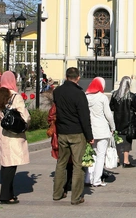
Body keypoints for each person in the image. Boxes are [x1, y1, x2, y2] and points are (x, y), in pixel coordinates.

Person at [52, 67, 93, 205]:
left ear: (66, 76)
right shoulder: (79, 94)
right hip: (76, 132)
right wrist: (89, 136)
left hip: (62, 131)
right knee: (78, 165)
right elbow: (84, 116)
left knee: (61, 163)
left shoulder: (57, 91)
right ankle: (75, 197)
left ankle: (57, 193)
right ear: (78, 78)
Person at [0, 71, 30, 205]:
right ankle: (5, 195)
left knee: (6, 164)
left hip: (3, 134)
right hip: (14, 135)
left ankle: (9, 193)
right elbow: (24, 116)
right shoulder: (15, 96)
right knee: (11, 166)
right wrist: (26, 122)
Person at [85, 77, 116, 187]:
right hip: (102, 129)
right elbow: (108, 115)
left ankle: (88, 178)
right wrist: (113, 127)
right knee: (100, 155)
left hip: (90, 129)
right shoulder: (103, 97)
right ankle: (97, 180)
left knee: (91, 155)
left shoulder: (86, 97)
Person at [110, 76, 136, 168]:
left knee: (118, 140)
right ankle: (126, 161)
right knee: (127, 140)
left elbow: (111, 107)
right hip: (129, 121)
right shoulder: (131, 96)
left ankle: (118, 159)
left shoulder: (114, 95)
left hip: (117, 121)